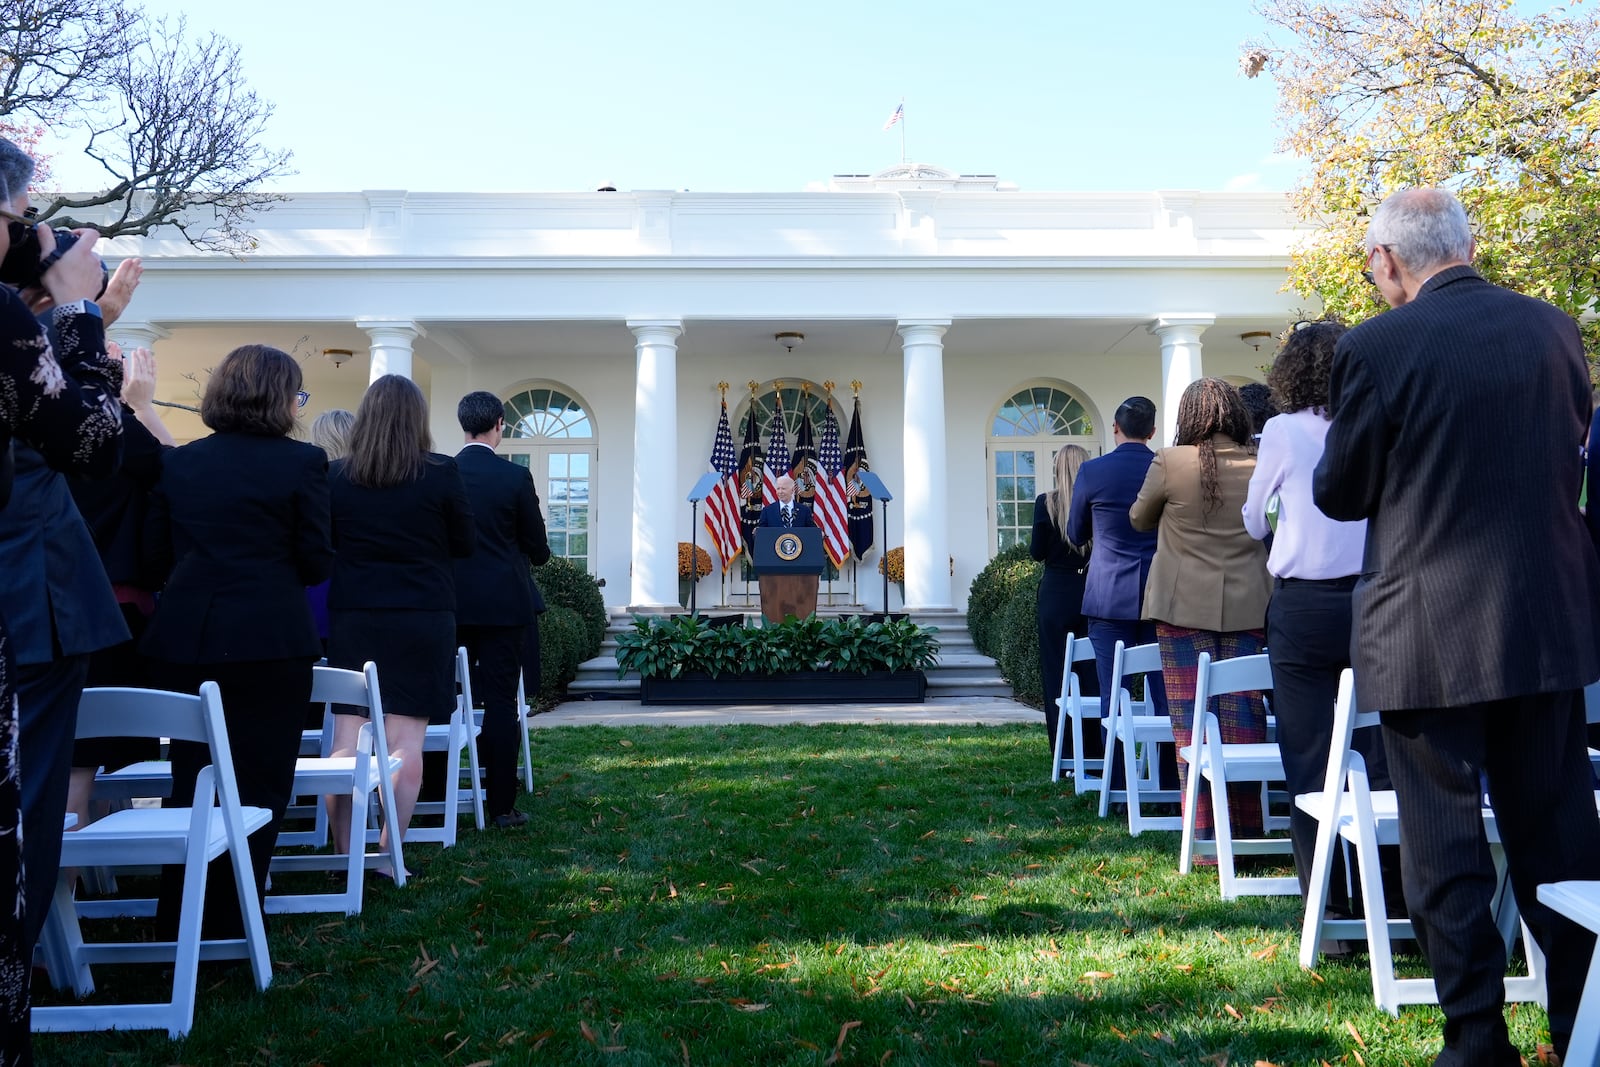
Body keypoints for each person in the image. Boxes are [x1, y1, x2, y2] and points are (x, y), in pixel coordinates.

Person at [1313, 187, 1600, 1066]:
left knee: (1444, 849)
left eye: (1370, 261)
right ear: (1467, 245)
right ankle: (1584, 1025)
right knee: (1557, 835)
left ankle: (1476, 1039)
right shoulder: (1554, 330)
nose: (1370, 275)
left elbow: (1341, 490)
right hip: (1546, 620)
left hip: (1426, 630)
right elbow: (1575, 439)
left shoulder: (1373, 347)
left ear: (1391, 261)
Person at [0, 134, 127, 1064]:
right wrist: (81, 313)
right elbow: (90, 439)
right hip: (21, 598)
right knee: (22, 813)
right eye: (16, 220)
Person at [142, 343, 334, 937]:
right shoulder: (303, 463)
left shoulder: (179, 463)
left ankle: (182, 914)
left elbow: (154, 558)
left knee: (192, 775)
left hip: (191, 637)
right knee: (263, 779)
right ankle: (234, 917)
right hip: (272, 637)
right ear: (281, 399)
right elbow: (316, 558)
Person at [1242, 321, 1398, 918]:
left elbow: (1254, 521)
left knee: (1307, 755)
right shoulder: (1378, 422)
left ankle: (1327, 909)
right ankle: (1390, 902)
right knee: (1379, 753)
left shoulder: (1281, 430)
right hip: (1372, 596)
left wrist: (1280, 522)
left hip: (1304, 604)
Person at [326, 375, 474, 861]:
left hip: (355, 616)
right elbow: (464, 544)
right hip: (422, 616)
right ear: (418, 420)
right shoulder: (442, 472)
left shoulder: (335, 477)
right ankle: (390, 856)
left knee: (348, 735)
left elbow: (325, 544)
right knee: (407, 740)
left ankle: (346, 854)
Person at [1130, 378, 1271, 843]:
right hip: (1251, 603)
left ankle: (1206, 836)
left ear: (1189, 417)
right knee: (1243, 718)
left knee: (1191, 721)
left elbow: (1139, 518)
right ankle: (1246, 831)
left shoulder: (1170, 462)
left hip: (1180, 604)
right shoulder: (1259, 462)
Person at [65, 342, 175, 835]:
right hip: (112, 608)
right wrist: (143, 406)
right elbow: (175, 470)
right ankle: (67, 888)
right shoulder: (112, 429)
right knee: (83, 757)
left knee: (75, 752)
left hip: (46, 603)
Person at [451, 391, 550, 829]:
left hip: (449, 605)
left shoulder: (441, 472)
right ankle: (501, 806)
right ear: (498, 426)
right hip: (504, 608)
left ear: (464, 425)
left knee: (444, 700)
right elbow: (538, 549)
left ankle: (437, 790)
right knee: (500, 703)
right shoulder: (514, 477)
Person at [1066, 396, 1173, 786]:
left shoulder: (1093, 471)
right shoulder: (1165, 468)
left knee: (1114, 692)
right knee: (1164, 693)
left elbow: (1076, 532)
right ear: (1152, 431)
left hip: (1108, 593)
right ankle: (1168, 780)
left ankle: (1117, 782)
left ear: (1115, 427)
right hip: (1160, 593)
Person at [1029, 444, 1097, 767]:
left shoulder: (1046, 503)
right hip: (1090, 589)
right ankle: (1096, 750)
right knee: (1091, 673)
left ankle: (1063, 753)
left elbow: (1036, 552)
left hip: (1056, 592)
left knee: (1056, 673)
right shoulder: (1095, 501)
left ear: (1058, 469)